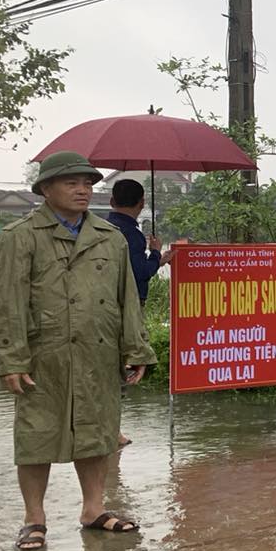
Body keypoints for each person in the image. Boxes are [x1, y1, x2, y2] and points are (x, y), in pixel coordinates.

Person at [0, 151, 157, 551]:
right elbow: (8, 302)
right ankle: (34, 519)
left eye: (88, 182)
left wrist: (135, 348)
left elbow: (126, 298)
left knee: (97, 431)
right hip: (43, 354)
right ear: (45, 189)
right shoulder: (20, 237)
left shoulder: (110, 237)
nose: (83, 189)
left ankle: (93, 509)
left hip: (98, 350)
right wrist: (12, 357)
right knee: (36, 435)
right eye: (71, 182)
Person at [104, 177, 183, 448]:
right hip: (126, 308)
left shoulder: (100, 227)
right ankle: (112, 433)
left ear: (112, 202)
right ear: (142, 203)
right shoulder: (132, 235)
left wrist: (158, 259)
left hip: (99, 305)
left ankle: (101, 430)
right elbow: (140, 273)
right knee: (121, 364)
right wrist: (155, 252)